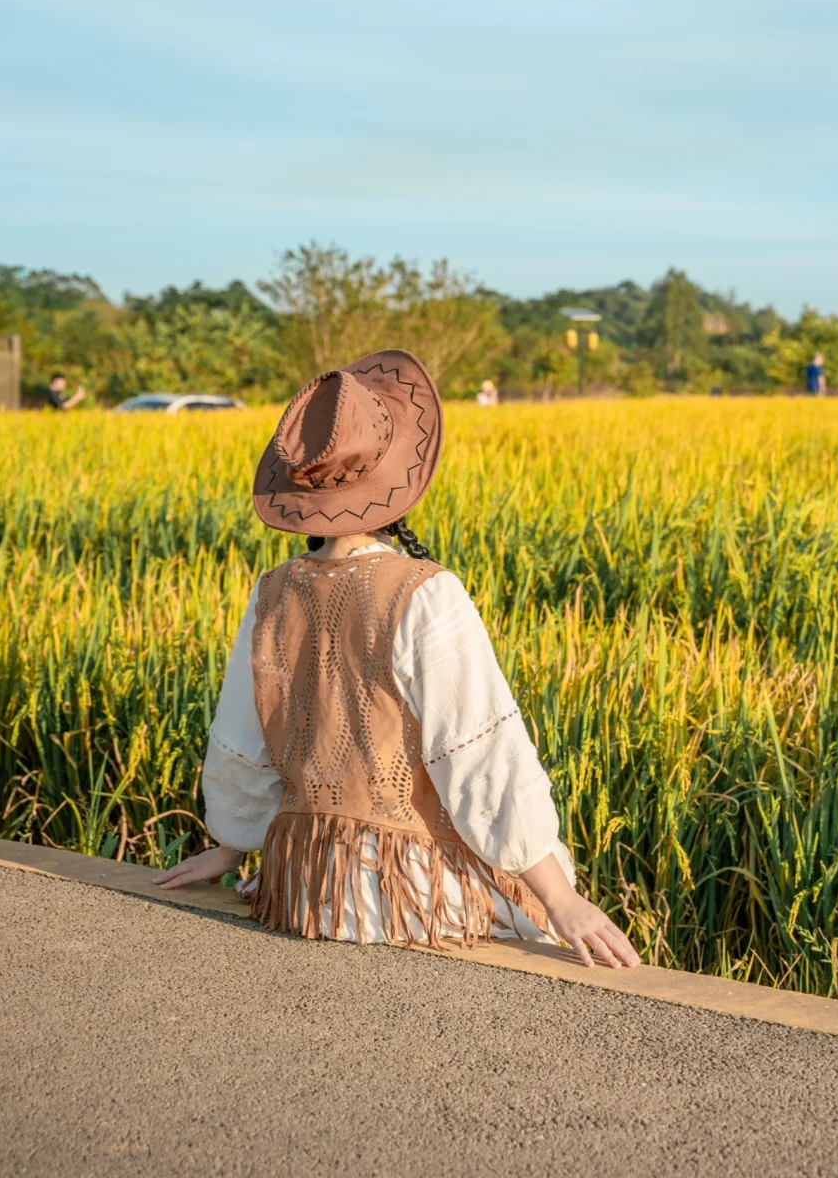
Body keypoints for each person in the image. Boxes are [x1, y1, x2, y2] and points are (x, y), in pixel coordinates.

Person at [154, 349, 639, 970]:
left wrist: (229, 850)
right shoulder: (426, 591)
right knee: (531, 919)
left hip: (306, 889)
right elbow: (478, 756)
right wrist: (561, 898)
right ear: (396, 483)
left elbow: (243, 737)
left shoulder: (271, 590)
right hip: (402, 896)